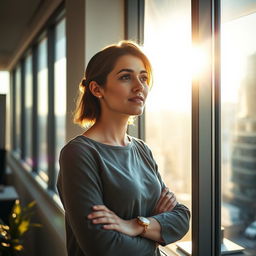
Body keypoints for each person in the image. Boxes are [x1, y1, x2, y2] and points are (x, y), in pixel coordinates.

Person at [57, 41, 190, 256]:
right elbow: (103, 247)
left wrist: (135, 225)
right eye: (126, 77)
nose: (139, 86)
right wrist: (157, 233)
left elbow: (182, 217)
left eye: (144, 77)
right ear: (97, 89)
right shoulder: (79, 154)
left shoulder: (142, 150)